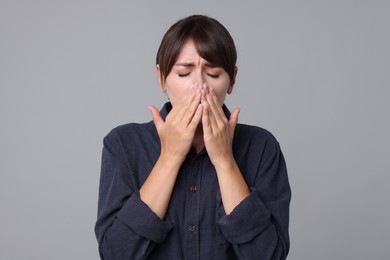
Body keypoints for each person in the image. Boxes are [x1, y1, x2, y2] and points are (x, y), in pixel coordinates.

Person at [95, 14, 291, 260]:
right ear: (161, 77)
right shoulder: (123, 145)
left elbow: (269, 256)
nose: (200, 86)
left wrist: (225, 161)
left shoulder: (262, 148)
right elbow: (116, 254)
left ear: (232, 79)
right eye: (184, 74)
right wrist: (169, 157)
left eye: (214, 74)